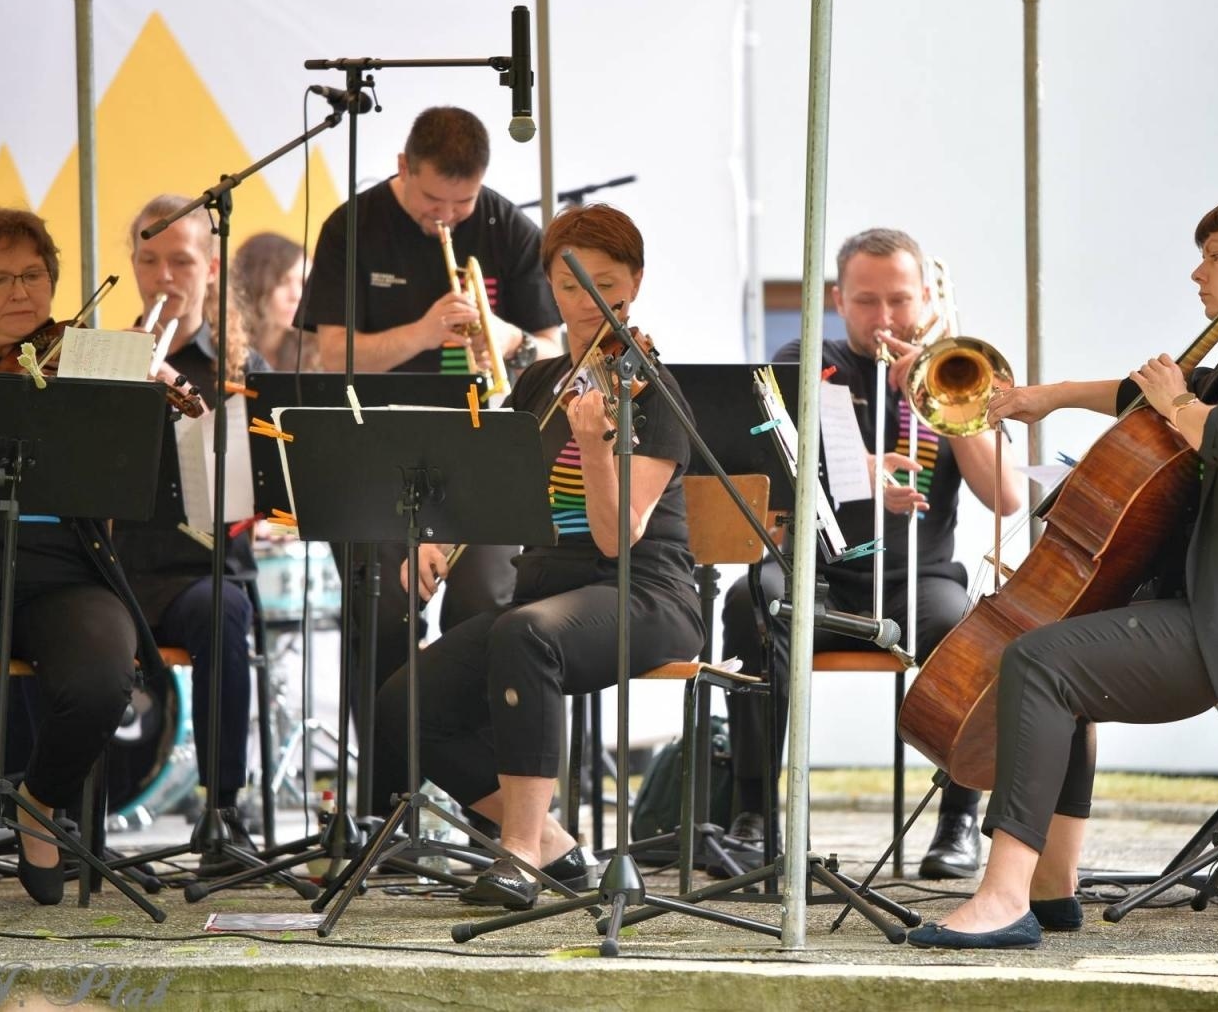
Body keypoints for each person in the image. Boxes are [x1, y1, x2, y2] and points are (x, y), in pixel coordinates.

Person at [907, 191, 1218, 949]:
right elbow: (1141, 401)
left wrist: (1180, 398)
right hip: (1215, 609)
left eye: (1214, 255)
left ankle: (1002, 897)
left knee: (1040, 662)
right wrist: (1041, 399)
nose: (1198, 272)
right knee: (1066, 659)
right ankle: (1051, 888)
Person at [374, 203, 703, 909]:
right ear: (550, 288)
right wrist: (436, 537)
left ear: (635, 284)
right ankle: (554, 845)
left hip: (645, 596)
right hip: (549, 594)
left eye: (604, 284)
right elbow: (495, 493)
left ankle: (518, 852)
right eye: (570, 286)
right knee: (405, 703)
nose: (587, 303)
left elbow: (619, 540)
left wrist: (593, 448)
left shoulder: (652, 390)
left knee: (526, 632)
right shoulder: (537, 384)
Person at [717, 228, 1023, 879]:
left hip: (920, 578)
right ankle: (753, 818)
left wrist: (948, 404)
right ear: (837, 299)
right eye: (866, 301)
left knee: (969, 631)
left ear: (927, 298)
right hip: (819, 573)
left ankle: (959, 821)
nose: (885, 318)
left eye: (900, 300)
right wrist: (861, 466)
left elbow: (1005, 497)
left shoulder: (959, 371)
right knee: (750, 600)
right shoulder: (809, 356)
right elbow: (791, 450)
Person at [0, 207, 152, 908]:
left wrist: (138, 403)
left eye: (34, 275)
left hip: (62, 574)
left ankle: (40, 805)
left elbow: (135, 488)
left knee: (106, 672)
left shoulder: (88, 365)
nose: (22, 293)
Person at [300, 107, 564, 751]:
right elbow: (329, 353)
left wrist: (506, 339)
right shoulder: (352, 227)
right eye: (431, 201)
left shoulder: (508, 227)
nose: (445, 217)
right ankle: (387, 795)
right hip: (376, 453)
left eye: (462, 202)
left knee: (486, 607)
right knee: (385, 611)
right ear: (402, 169)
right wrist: (423, 333)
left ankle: (466, 781)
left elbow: (553, 357)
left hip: (481, 454)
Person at [110, 195, 267, 869]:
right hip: (116, 569)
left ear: (211, 269)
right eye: (148, 260)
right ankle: (64, 815)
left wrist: (171, 383)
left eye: (180, 260)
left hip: (202, 572)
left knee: (224, 611)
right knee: (40, 601)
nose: (163, 277)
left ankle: (223, 811)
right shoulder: (104, 355)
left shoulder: (240, 369)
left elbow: (246, 496)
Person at [234, 231, 315, 372]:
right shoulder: (224, 347)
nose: (296, 296)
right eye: (283, 281)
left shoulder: (315, 355)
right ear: (252, 283)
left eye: (304, 283)